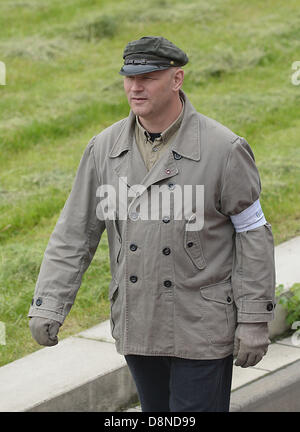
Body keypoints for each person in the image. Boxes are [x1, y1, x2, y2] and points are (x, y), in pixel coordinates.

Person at [28, 36, 276, 412]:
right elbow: (75, 232)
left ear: (177, 80)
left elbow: (253, 234)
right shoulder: (104, 149)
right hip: (138, 322)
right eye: (129, 77)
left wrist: (255, 319)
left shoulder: (224, 149)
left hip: (202, 326)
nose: (135, 87)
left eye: (149, 77)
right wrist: (49, 304)